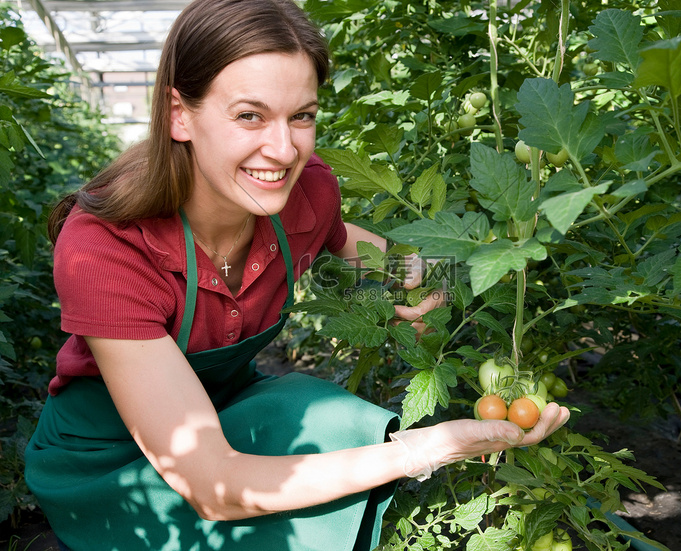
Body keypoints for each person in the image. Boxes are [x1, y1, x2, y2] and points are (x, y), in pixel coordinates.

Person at [24, 0, 570, 549]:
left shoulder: (303, 191)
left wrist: (433, 276)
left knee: (325, 416)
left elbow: (340, 237)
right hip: (111, 467)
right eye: (249, 115)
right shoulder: (105, 247)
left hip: (225, 415)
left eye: (302, 116)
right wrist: (424, 450)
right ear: (178, 115)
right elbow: (212, 485)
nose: (284, 150)